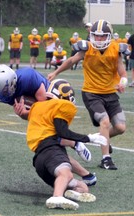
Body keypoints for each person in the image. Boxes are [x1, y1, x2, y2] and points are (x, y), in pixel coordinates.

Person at [0, 65, 97, 186]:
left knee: (51, 146)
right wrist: (22, 114)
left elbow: (43, 108)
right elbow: (30, 116)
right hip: (39, 110)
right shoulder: (5, 96)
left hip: (52, 102)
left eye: (4, 90)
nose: (3, 94)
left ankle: (74, 144)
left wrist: (28, 113)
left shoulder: (27, 77)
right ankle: (87, 174)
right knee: (51, 148)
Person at [48, 19, 129, 170]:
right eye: (95, 35)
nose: (98, 39)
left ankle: (102, 138)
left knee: (120, 127)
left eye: (102, 36)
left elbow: (123, 72)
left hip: (110, 93)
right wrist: (56, 71)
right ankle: (106, 159)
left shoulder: (116, 49)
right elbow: (72, 60)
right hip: (92, 93)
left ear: (109, 36)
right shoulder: (87, 48)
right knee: (104, 121)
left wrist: (122, 83)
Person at [27, 79, 106, 210]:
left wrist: (76, 144)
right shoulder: (63, 105)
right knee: (67, 174)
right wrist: (88, 138)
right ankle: (57, 197)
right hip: (51, 151)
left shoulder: (37, 106)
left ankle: (66, 193)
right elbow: (62, 131)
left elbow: (51, 133)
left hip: (39, 161)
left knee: (83, 187)